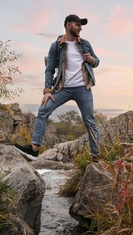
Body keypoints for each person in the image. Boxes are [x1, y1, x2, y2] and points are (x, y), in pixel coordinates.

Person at [14, 14, 100, 162]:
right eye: (77, 25)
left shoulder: (85, 44)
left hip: (83, 88)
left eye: (81, 25)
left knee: (89, 120)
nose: (80, 28)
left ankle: (96, 156)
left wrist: (91, 60)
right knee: (43, 110)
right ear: (68, 25)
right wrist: (47, 91)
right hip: (63, 88)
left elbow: (96, 61)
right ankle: (34, 149)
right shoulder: (56, 46)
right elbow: (49, 69)